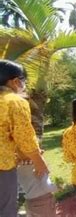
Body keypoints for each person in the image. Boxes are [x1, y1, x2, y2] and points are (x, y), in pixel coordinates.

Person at [0, 60, 49, 217]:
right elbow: (24, 137)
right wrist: (39, 162)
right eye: (23, 81)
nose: (23, 85)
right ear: (15, 81)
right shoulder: (14, 101)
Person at [17, 150, 57, 217]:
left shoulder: (19, 169)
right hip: (44, 202)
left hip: (30, 202)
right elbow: (47, 187)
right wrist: (57, 187)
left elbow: (20, 188)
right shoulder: (39, 167)